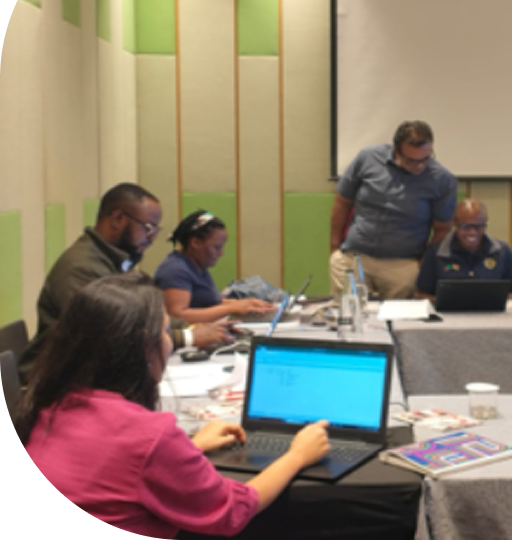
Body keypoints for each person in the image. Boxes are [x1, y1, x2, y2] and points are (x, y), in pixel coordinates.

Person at [19, 274, 330, 538]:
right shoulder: (149, 435)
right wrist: (297, 455)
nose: (170, 341)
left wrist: (190, 447)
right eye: (166, 332)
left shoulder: (50, 403)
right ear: (143, 346)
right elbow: (233, 510)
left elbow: (114, 472)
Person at [18, 183, 233, 383]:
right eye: (148, 227)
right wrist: (187, 337)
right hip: (56, 384)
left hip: (87, 375)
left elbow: (144, 317)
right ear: (118, 218)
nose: (151, 237)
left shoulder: (114, 260)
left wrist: (194, 327)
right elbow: (110, 337)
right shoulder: (81, 268)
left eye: (155, 230)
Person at [330, 120, 458, 300]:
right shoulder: (367, 157)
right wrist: (335, 247)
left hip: (403, 264)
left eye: (425, 159)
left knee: (401, 323)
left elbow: (442, 229)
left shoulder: (443, 180)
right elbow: (342, 201)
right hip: (354, 255)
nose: (419, 166)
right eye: (411, 161)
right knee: (350, 318)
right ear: (395, 150)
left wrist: (423, 264)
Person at [154, 210, 275, 323]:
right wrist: (230, 309)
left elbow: (204, 303)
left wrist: (245, 303)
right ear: (195, 243)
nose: (221, 253)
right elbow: (177, 316)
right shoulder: (175, 270)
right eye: (216, 247)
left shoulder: (197, 265)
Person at [415, 198, 512, 301]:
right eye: (465, 226)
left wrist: (495, 301)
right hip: (449, 315)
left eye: (478, 226)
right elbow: (420, 294)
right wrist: (447, 302)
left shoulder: (502, 251)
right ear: (455, 224)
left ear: (485, 224)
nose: (472, 232)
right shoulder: (435, 252)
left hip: (490, 314)